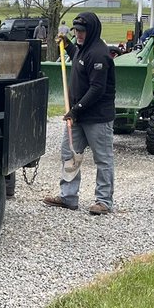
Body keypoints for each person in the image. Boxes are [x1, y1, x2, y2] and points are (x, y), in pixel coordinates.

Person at [42, 12, 116, 215]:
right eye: (76, 30)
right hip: (78, 115)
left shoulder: (99, 53)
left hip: (97, 117)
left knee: (103, 158)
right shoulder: (83, 49)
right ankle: (68, 197)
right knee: (69, 154)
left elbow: (97, 89)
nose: (79, 34)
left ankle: (103, 201)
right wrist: (67, 44)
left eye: (82, 31)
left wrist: (75, 110)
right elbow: (79, 57)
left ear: (91, 31)